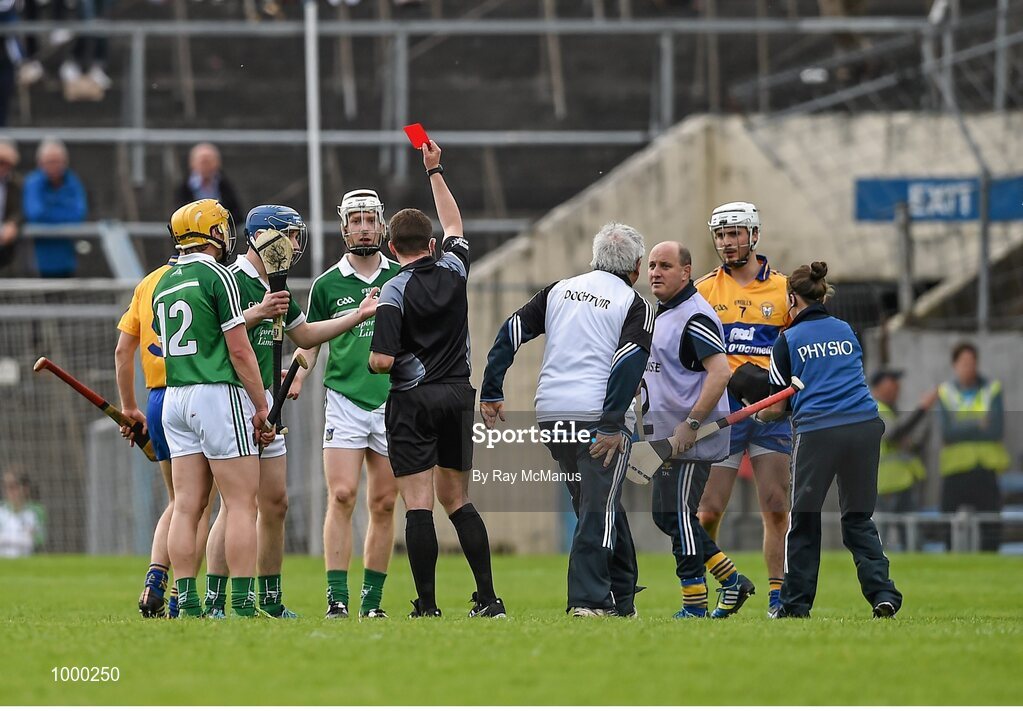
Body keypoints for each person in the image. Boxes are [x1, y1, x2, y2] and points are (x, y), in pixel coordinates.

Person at [202, 204, 380, 619]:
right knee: (235, 503)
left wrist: (356, 316)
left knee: (276, 502)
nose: (297, 244)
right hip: (233, 399)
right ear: (268, 237)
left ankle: (270, 599)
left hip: (265, 398)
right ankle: (216, 600)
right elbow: (212, 334)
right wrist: (256, 314)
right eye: (292, 235)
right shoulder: (232, 280)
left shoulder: (274, 281)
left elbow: (304, 334)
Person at [481, 222, 653, 618]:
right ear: (637, 267)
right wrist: (611, 424)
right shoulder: (635, 304)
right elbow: (628, 364)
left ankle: (623, 596)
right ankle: (588, 601)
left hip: (552, 416)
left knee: (597, 504)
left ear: (593, 258)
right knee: (599, 510)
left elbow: (512, 330)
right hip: (598, 418)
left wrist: (491, 388)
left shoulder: (559, 289)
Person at [369, 140, 504, 619]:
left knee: (419, 506)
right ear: (430, 245)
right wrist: (434, 169)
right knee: (458, 500)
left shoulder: (392, 289)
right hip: (457, 395)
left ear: (390, 248)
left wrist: (376, 354)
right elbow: (455, 224)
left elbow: (383, 361)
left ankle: (426, 606)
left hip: (414, 401)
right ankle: (488, 599)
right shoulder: (453, 268)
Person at [154, 198, 275, 618]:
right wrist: (261, 406)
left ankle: (186, 601)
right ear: (214, 233)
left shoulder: (164, 280)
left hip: (175, 396)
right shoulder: (217, 274)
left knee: (187, 504)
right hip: (215, 393)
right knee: (242, 502)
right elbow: (239, 351)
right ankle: (241, 603)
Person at [763, 261, 901, 619]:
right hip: (864, 426)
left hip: (819, 432)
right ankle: (883, 594)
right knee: (858, 518)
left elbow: (777, 405)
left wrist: (760, 412)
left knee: (805, 520)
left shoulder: (788, 339)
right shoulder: (846, 329)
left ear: (792, 297)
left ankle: (795, 606)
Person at [289, 189, 401, 620]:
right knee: (341, 494)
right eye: (355, 220)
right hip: (345, 399)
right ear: (343, 227)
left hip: (392, 399)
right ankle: (337, 599)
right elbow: (312, 341)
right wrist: (298, 372)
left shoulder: (399, 277)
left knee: (385, 502)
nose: (363, 227)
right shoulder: (327, 284)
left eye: (370, 219)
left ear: (381, 224)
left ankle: (372, 604)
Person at [644, 241, 756, 619]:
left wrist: (691, 423)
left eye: (665, 266)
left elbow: (721, 372)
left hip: (691, 437)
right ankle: (732, 579)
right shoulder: (662, 313)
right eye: (652, 265)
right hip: (665, 437)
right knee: (666, 516)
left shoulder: (695, 315)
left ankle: (694, 603)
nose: (655, 272)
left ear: (686, 272)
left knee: (678, 515)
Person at [694, 201, 791, 616]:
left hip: (769, 413)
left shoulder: (784, 289)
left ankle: (777, 597)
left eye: (735, 233)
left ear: (753, 235)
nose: (727, 242)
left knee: (775, 504)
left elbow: (797, 350)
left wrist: (783, 397)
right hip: (723, 413)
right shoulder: (702, 290)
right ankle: (713, 583)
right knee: (708, 509)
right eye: (720, 235)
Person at [115, 253, 216, 618]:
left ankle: (154, 579)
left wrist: (130, 407)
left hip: (157, 399)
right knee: (199, 504)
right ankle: (180, 596)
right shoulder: (209, 277)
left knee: (178, 500)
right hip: (198, 392)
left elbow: (123, 350)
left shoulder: (149, 282)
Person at [935, 342, 1010, 552]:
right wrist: (978, 423)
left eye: (972, 362)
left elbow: (995, 430)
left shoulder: (991, 389)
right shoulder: (945, 392)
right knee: (949, 522)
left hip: (985, 467)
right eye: (964, 362)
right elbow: (947, 433)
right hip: (955, 468)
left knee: (991, 524)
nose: (969, 367)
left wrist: (961, 426)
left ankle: (990, 566)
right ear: (955, 365)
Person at [870, 368, 934, 548]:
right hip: (886, 485)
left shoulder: (892, 410)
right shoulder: (874, 408)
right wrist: (922, 409)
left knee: (912, 539)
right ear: (877, 387)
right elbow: (893, 435)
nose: (896, 386)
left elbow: (908, 444)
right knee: (882, 540)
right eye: (891, 382)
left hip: (903, 481)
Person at [22, 138, 87, 278]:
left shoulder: (72, 181)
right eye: (50, 162)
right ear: (40, 163)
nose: (54, 166)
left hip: (67, 258)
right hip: (39, 260)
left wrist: (50, 212)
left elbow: (78, 214)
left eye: (58, 161)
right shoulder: (33, 182)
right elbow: (35, 214)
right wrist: (63, 214)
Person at [174, 143, 244, 224]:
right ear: (192, 163)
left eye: (209, 161)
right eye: (203, 162)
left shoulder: (225, 186)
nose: (206, 166)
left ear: (217, 163)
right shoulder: (184, 188)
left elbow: (237, 214)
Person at [0, 470, 45, 558]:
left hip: (26, 563)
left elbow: (38, 540)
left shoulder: (36, 511)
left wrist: (4, 539)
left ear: (25, 488)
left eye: (13, 486)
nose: (9, 491)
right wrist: (23, 539)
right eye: (6, 487)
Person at [0, 139, 23, 270]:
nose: (3, 168)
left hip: (6, 246)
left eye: (7, 163)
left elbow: (20, 209)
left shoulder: (17, 183)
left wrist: (13, 223)